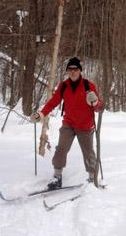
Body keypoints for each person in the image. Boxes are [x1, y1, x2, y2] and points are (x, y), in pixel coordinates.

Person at [31, 57, 102, 190]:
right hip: (69, 123)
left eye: (75, 69)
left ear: (80, 71)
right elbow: (53, 102)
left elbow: (98, 107)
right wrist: (41, 114)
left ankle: (92, 178)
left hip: (85, 125)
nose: (73, 72)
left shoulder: (88, 86)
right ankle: (57, 177)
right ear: (67, 71)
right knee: (61, 149)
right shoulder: (64, 86)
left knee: (88, 153)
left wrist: (95, 102)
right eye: (70, 69)